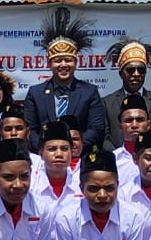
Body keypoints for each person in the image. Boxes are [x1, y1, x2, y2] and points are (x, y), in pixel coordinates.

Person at [23, 10, 107, 151]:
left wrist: (72, 148)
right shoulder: (35, 93)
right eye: (57, 61)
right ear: (49, 64)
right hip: (43, 159)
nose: (63, 65)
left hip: (79, 158)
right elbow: (30, 129)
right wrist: (47, 149)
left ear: (76, 63)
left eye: (68, 60)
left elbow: (96, 128)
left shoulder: (89, 92)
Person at [100, 39, 151, 151]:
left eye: (141, 70)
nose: (136, 74)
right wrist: (119, 157)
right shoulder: (107, 103)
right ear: (121, 73)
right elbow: (103, 138)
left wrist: (147, 156)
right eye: (130, 70)